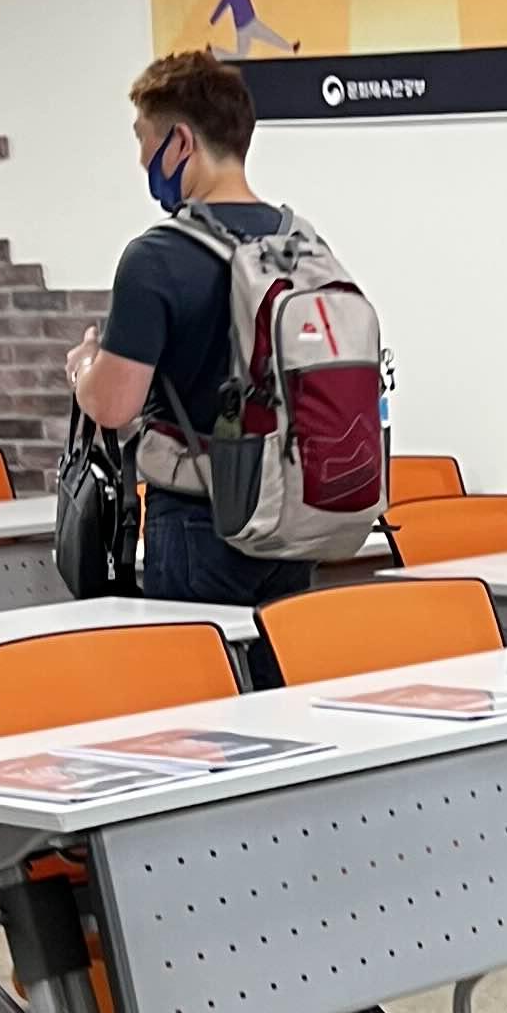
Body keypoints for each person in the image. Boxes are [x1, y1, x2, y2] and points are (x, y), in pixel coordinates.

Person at [67, 47, 316, 608]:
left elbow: (114, 406)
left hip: (199, 520)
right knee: (281, 657)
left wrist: (84, 368)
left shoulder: (157, 257)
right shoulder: (300, 243)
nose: (141, 159)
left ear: (180, 142)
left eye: (143, 138)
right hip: (292, 513)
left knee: (200, 663)